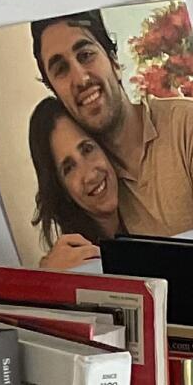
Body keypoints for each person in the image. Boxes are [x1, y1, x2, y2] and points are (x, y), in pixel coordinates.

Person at [32, 10, 193, 239]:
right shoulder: (99, 186)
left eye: (85, 55)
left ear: (114, 62)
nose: (81, 79)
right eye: (61, 70)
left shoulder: (191, 124)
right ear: (56, 93)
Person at [26, 95, 123, 270]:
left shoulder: (154, 211)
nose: (90, 175)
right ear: (62, 190)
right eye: (69, 168)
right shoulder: (74, 262)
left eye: (87, 149)